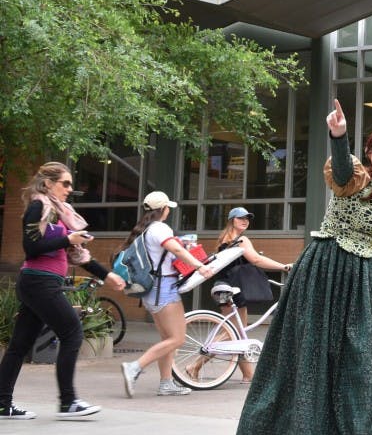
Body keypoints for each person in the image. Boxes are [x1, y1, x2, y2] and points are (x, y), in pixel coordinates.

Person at [233, 99, 372, 435]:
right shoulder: (354, 179)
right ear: (370, 156)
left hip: (366, 289)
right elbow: (342, 165)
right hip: (325, 275)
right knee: (315, 361)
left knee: (365, 367)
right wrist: (339, 135)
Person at [0, 162, 127, 420]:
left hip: (42, 283)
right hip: (39, 282)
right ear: (48, 183)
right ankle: (68, 402)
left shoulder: (59, 213)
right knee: (72, 333)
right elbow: (31, 247)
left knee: (19, 345)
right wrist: (68, 239)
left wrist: (108, 275)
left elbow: (77, 255)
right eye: (65, 183)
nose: (70, 189)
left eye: (71, 184)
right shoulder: (39, 206)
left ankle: (2, 404)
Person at [119, 191, 215, 397]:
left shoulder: (146, 230)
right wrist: (200, 266)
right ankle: (134, 367)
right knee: (178, 339)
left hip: (152, 291)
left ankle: (166, 383)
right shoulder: (160, 228)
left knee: (167, 339)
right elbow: (177, 251)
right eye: (168, 207)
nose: (169, 210)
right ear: (163, 209)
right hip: (164, 289)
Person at [184, 207, 292, 384]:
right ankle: (194, 365)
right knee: (232, 332)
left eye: (248, 218)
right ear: (232, 220)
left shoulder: (223, 241)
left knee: (238, 333)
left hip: (222, 287)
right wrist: (283, 267)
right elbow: (256, 259)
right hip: (233, 289)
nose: (245, 221)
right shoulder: (242, 239)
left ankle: (248, 375)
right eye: (241, 218)